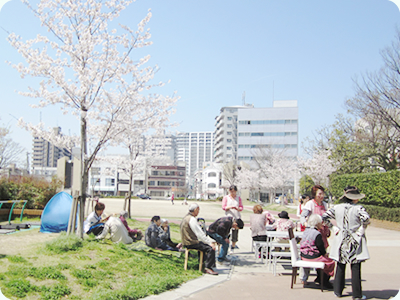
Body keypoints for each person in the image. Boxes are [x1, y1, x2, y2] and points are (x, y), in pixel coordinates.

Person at [322, 186, 370, 300]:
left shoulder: (337, 207)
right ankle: (357, 294)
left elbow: (324, 217)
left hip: (341, 237)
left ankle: (338, 291)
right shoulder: (359, 208)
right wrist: (361, 230)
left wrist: (333, 228)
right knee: (355, 267)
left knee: (340, 265)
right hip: (354, 238)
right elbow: (366, 219)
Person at [180, 203, 218, 275]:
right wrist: (210, 243)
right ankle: (208, 267)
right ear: (195, 210)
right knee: (210, 248)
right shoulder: (192, 219)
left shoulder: (185, 217)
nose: (198, 212)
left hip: (186, 242)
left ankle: (202, 264)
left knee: (203, 246)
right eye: (198, 210)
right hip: (191, 242)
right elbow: (199, 233)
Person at [300, 214, 335, 289]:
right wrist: (325, 254)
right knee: (330, 262)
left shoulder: (306, 231)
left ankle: (319, 278)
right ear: (317, 224)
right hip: (312, 256)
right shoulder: (317, 234)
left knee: (323, 259)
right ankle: (324, 281)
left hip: (303, 255)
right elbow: (320, 247)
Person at [222, 185, 243, 251]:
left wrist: (238, 208)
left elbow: (241, 207)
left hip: (236, 217)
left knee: (235, 233)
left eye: (234, 191)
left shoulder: (238, 198)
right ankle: (226, 246)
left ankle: (233, 247)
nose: (232, 193)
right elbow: (223, 207)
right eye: (231, 191)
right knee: (227, 232)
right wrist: (230, 207)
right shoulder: (226, 197)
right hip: (228, 217)